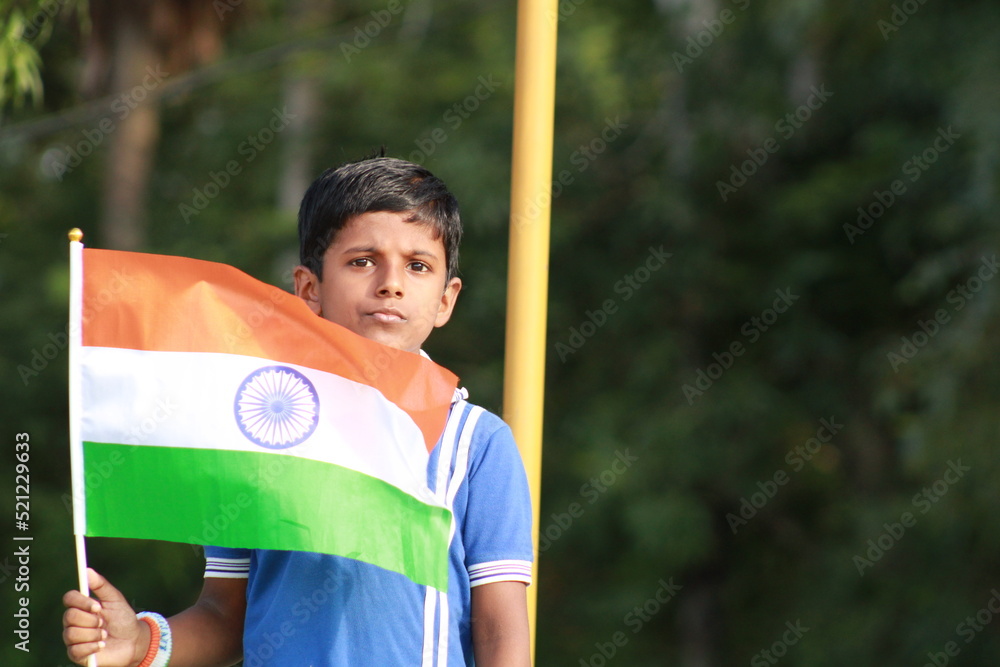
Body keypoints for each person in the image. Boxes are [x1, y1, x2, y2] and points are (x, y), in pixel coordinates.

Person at [61, 156, 534, 666]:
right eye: (362, 260)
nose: (391, 283)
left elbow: (500, 631)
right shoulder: (255, 430)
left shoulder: (476, 442)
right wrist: (138, 643)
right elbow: (224, 617)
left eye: (418, 265)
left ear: (446, 299)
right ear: (309, 289)